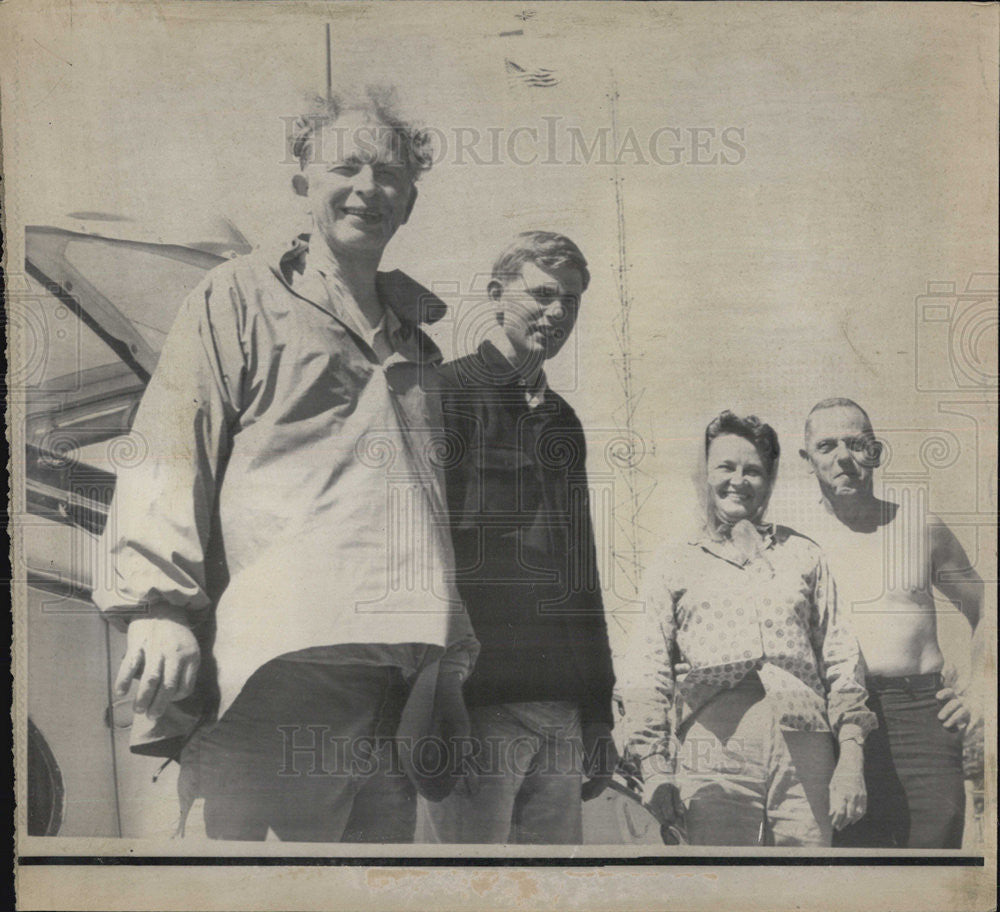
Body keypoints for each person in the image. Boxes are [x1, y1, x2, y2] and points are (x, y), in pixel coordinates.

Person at [93, 87, 479, 842]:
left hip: (398, 699)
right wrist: (160, 608)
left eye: (391, 175)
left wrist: (451, 660)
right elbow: (171, 447)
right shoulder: (237, 297)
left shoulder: (423, 351)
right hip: (279, 675)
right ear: (303, 182)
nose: (369, 188)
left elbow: (428, 517)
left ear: (411, 203)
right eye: (347, 166)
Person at [418, 232, 617, 844]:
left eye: (573, 301)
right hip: (480, 705)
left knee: (555, 894)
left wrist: (597, 713)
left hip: (561, 711)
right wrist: (440, 693)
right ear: (496, 296)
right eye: (543, 294)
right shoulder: (442, 395)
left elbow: (580, 571)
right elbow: (425, 558)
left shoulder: (563, 421)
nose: (559, 313)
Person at [621, 411, 875, 847]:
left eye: (753, 470)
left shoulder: (804, 554)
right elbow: (647, 669)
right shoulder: (675, 559)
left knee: (807, 885)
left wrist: (851, 756)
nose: (739, 480)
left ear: (771, 479)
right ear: (705, 473)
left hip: (805, 742)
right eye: (726, 467)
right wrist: (653, 766)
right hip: (710, 743)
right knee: (716, 884)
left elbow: (841, 656)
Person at [798, 397, 985, 848]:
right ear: (808, 461)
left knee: (932, 864)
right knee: (850, 868)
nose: (843, 457)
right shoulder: (796, 542)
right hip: (835, 723)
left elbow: (988, 607)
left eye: (857, 444)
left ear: (876, 451)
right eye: (827, 446)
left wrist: (982, 691)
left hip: (923, 714)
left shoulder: (918, 525)